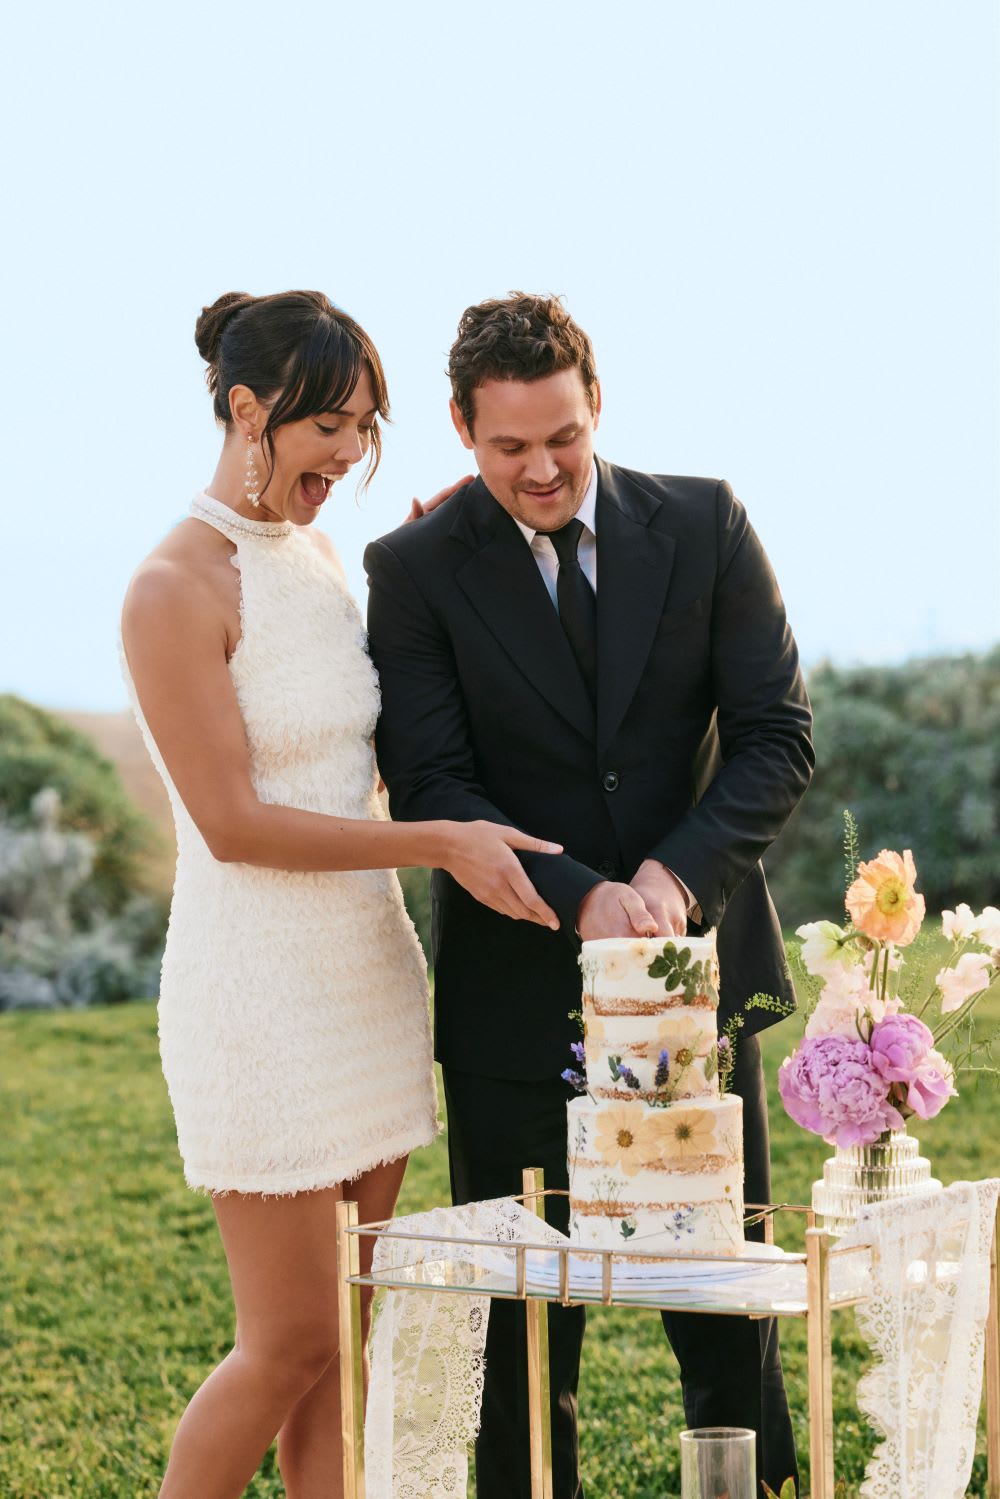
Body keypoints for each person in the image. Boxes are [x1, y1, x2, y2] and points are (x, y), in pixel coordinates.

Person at [364, 292, 814, 1498]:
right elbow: (432, 777)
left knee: (731, 1328)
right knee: (522, 1347)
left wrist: (672, 873)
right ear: (462, 429)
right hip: (514, 1008)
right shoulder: (410, 567)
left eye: (561, 436)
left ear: (595, 403)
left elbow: (776, 733)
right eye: (508, 447)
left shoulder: (707, 521)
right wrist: (577, 897)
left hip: (696, 993)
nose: (542, 467)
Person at [119, 289, 562, 1499]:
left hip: (362, 981)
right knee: (290, 1343)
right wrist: (442, 842)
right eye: (332, 428)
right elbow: (233, 821)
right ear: (249, 409)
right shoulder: (174, 586)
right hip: (257, 997)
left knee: (345, 1351)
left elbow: (342, 746)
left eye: (367, 427)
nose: (352, 455)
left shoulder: (313, 560)